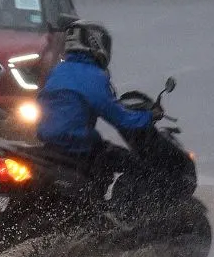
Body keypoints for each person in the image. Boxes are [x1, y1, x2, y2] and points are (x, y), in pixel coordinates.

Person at [36, 20, 158, 180]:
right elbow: (119, 117)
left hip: (50, 144)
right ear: (96, 43)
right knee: (137, 166)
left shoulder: (58, 70)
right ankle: (122, 205)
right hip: (78, 147)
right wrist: (149, 116)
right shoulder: (92, 75)